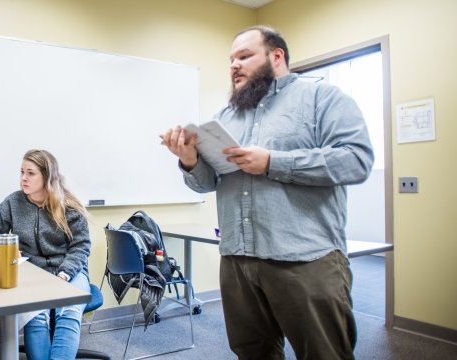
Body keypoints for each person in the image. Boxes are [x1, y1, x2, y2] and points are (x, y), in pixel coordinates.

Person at [160, 25, 373, 359]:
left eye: (244, 56)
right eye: (231, 59)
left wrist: (273, 162)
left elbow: (356, 161)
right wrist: (189, 161)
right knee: (253, 352)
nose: (234, 65)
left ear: (277, 57)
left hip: (304, 259)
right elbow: (206, 183)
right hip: (237, 260)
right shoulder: (225, 117)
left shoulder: (322, 98)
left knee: (324, 352)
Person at [0, 149, 91, 360]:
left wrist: (65, 274)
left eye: (30, 173)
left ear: (47, 176)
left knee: (68, 312)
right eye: (22, 172)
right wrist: (5, 246)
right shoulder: (13, 202)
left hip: (70, 271)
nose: (23, 178)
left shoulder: (69, 206)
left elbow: (81, 246)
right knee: (35, 315)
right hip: (32, 271)